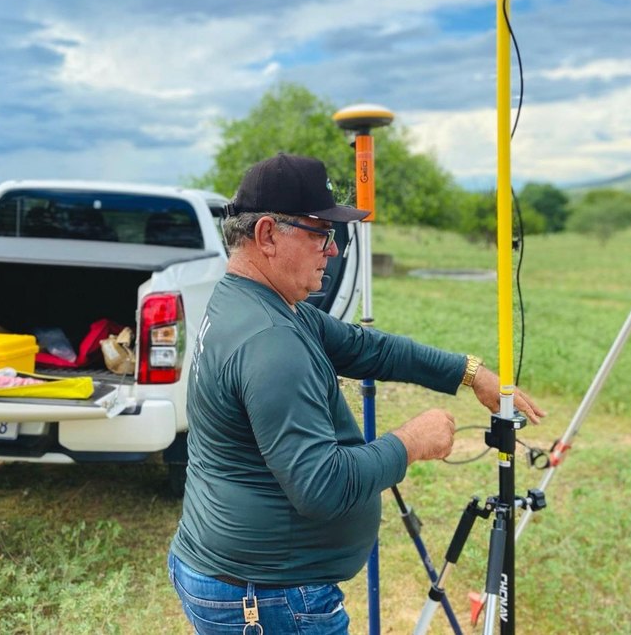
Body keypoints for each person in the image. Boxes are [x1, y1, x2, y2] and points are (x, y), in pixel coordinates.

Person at [167, 153, 544, 633]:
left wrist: (470, 372)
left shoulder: (257, 301)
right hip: (267, 597)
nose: (334, 249)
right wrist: (410, 441)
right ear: (266, 235)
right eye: (321, 233)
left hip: (244, 579)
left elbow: (368, 348)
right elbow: (321, 486)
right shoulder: (271, 340)